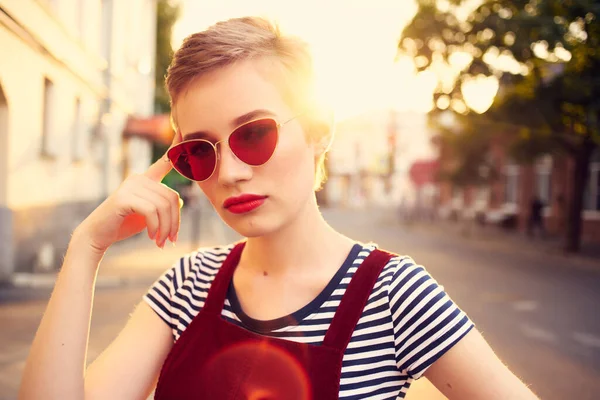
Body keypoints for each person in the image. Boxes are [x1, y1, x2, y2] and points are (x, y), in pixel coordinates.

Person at [19, 17, 539, 400]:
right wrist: (86, 247)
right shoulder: (189, 286)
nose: (229, 172)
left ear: (317, 131)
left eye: (254, 133)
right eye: (200, 149)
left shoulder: (394, 295)